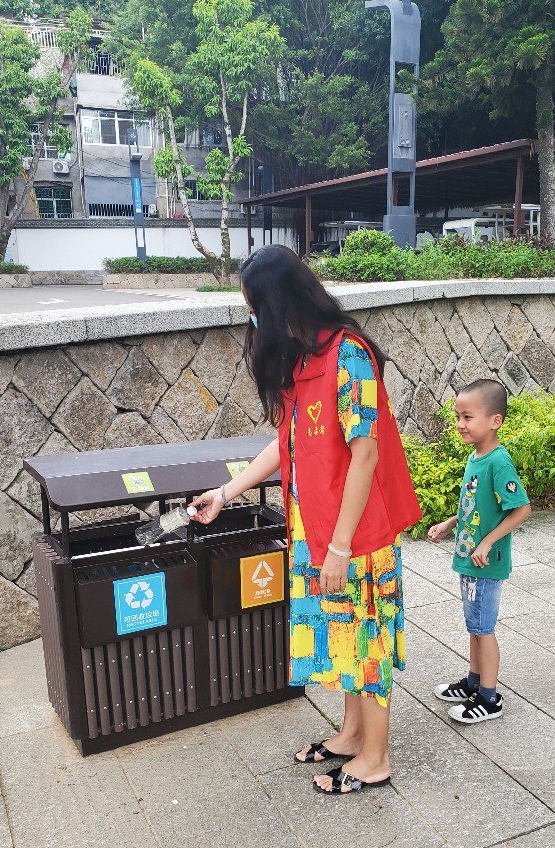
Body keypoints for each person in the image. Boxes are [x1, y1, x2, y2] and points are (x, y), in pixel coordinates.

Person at [192, 245, 421, 795]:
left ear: (278, 305)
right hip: (314, 530)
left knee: (366, 643)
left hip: (353, 538)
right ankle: (352, 734)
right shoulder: (301, 360)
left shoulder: (349, 356)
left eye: (254, 309)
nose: (252, 321)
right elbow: (287, 443)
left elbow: (365, 455)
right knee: (342, 637)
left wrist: (339, 548)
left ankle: (376, 758)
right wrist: (226, 492)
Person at [427, 379, 531, 723]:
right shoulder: (476, 458)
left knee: (484, 629)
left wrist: (487, 542)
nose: (460, 424)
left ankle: (489, 697)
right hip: (470, 561)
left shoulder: (499, 462)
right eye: (458, 416)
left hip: (486, 563)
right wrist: (449, 523)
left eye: (468, 417)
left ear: (495, 421)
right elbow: (476, 507)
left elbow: (521, 509)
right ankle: (474, 682)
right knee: (475, 625)